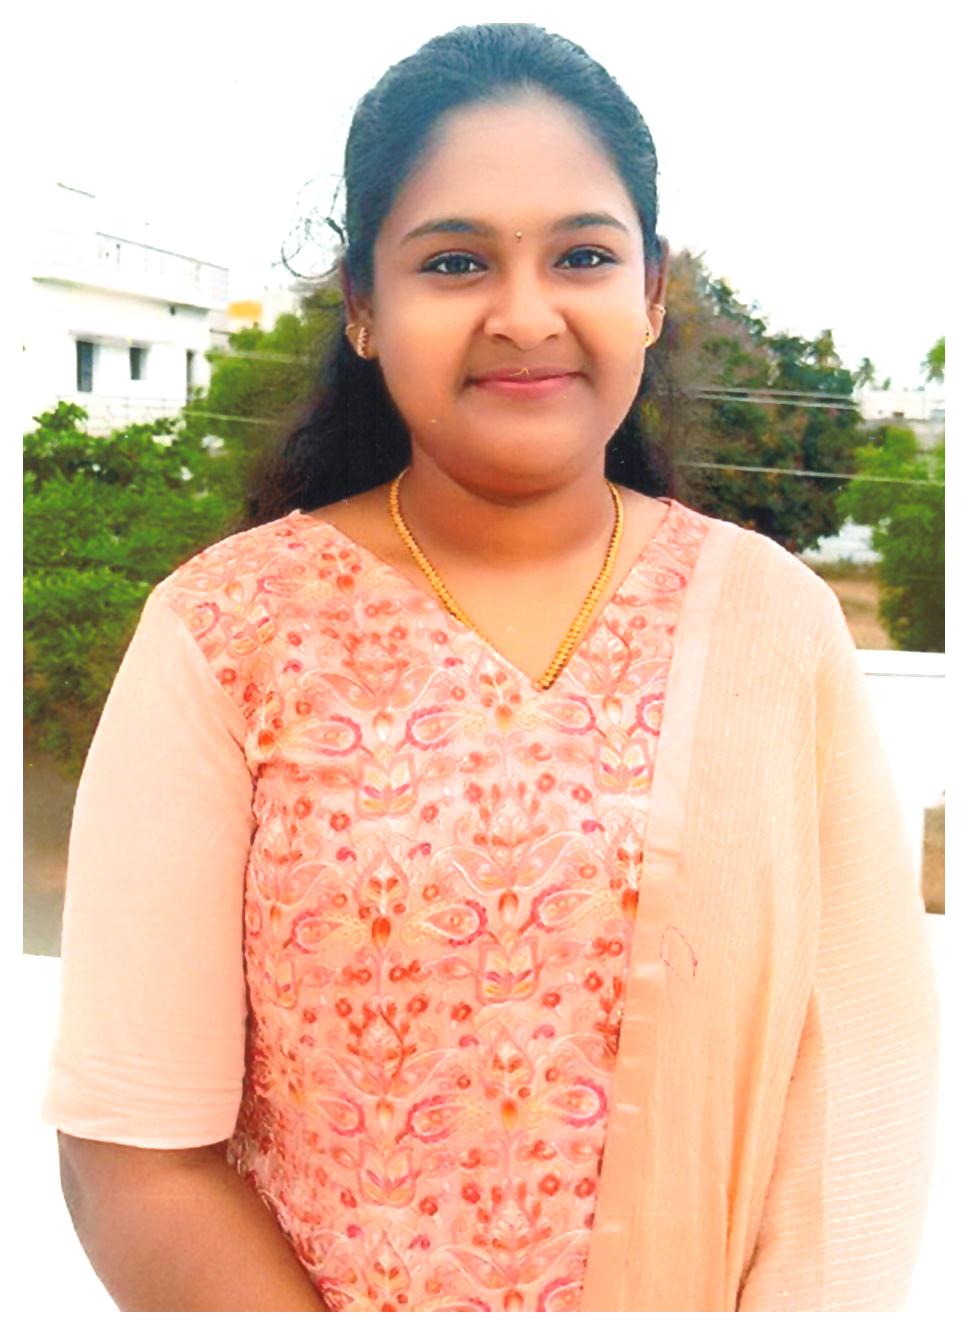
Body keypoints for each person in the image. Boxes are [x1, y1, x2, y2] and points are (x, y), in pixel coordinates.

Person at [41, 22, 939, 1313]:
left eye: (583, 255)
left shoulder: (773, 623)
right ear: (364, 305)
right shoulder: (229, 631)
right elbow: (135, 1150)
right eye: (455, 261)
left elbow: (862, 1071)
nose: (526, 315)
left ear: (651, 291)